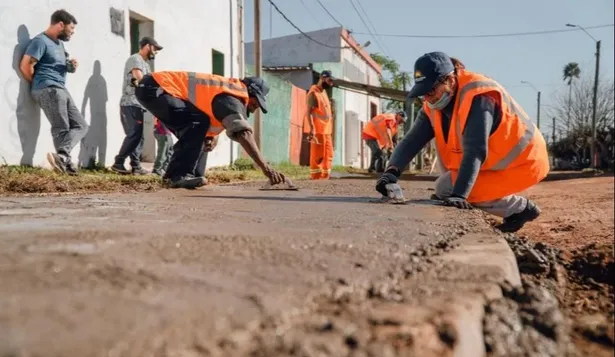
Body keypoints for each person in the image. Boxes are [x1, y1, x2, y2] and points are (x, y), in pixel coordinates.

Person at [376, 52, 550, 233]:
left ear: (450, 80)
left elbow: (475, 150)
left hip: (524, 162)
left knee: (446, 189)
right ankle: (504, 205)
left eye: (431, 91)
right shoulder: (433, 106)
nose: (428, 99)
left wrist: (459, 195)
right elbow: (412, 141)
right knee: (446, 188)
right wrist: (391, 173)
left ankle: (520, 209)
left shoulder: (478, 96)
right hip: (494, 163)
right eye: (423, 94)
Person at [133, 71, 287, 189]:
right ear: (250, 93)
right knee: (197, 121)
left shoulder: (228, 93)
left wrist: (210, 137)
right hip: (155, 87)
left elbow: (207, 117)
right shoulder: (232, 97)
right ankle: (177, 175)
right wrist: (266, 169)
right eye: (256, 102)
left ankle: (190, 174)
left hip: (156, 88)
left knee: (199, 124)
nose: (255, 108)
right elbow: (243, 133)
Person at [19, 9, 88, 175]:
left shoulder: (59, 43)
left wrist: (70, 66)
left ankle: (62, 157)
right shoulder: (40, 41)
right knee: (61, 127)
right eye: (71, 29)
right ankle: (65, 162)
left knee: (81, 125)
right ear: (61, 25)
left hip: (60, 87)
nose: (73, 32)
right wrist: (38, 83)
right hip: (48, 88)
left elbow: (57, 64)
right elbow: (25, 65)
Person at [111, 36, 163, 175]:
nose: (156, 52)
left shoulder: (145, 63)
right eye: (155, 49)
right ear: (147, 46)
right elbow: (140, 78)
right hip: (130, 103)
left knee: (138, 136)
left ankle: (136, 166)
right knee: (134, 134)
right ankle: (118, 162)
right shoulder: (135, 59)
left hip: (138, 104)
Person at [305, 70, 335, 180]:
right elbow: (308, 112)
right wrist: (312, 128)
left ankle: (324, 177)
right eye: (329, 80)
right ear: (322, 78)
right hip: (318, 131)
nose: (331, 83)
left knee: (328, 155)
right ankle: (316, 178)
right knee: (318, 156)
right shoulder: (314, 93)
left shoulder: (323, 93)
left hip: (327, 131)